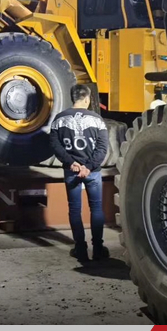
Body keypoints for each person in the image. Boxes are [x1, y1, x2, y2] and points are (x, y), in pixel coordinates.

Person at [50, 84, 109, 262]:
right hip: (93, 172)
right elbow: (102, 148)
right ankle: (98, 249)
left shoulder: (59, 119)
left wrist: (71, 163)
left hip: (71, 172)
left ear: (72, 97)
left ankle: (80, 249)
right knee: (96, 208)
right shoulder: (97, 119)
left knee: (75, 210)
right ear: (86, 98)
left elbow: (55, 146)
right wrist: (89, 167)